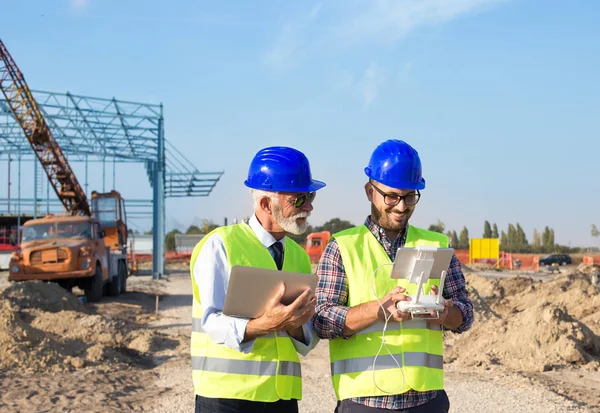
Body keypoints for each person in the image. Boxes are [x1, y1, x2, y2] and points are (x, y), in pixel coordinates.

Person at [313, 139, 474, 413]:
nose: (401, 207)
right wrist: (377, 311)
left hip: (427, 401)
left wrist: (445, 313)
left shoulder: (436, 245)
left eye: (410, 196)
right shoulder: (343, 247)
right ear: (369, 191)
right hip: (364, 403)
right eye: (391, 197)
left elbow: (465, 314)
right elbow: (322, 320)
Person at [189, 146, 326, 413]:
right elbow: (212, 322)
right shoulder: (221, 245)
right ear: (265, 204)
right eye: (298, 199)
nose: (309, 207)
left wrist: (297, 325)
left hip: (281, 399)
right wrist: (266, 324)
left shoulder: (298, 256)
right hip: (226, 399)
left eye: (310, 196)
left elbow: (306, 336)